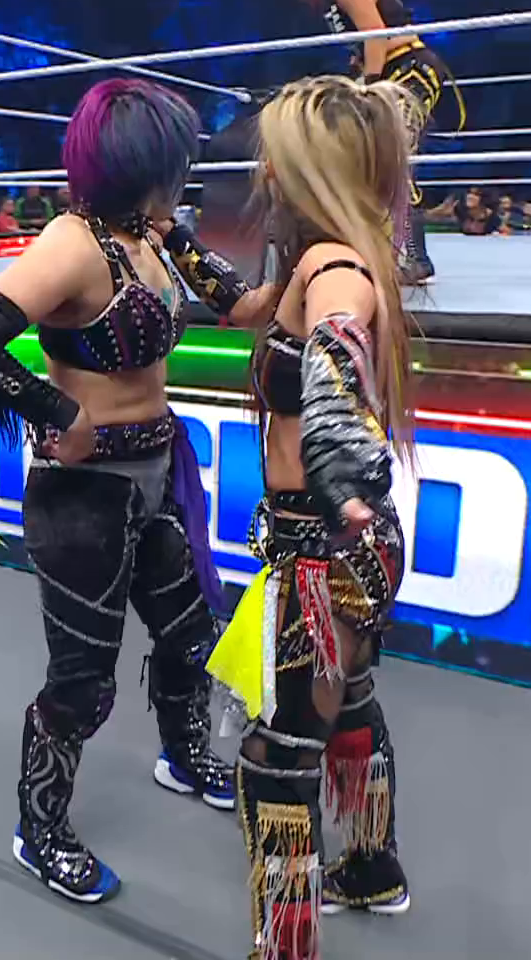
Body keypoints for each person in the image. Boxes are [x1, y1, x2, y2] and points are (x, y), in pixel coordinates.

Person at [0, 78, 273, 905]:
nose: (182, 176)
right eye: (173, 161)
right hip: (84, 493)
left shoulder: (156, 232)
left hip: (158, 472)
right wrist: (59, 412)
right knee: (82, 678)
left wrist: (317, 245)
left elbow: (244, 306)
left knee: (188, 633)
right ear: (138, 163)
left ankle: (182, 754)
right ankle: (40, 827)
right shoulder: (73, 244)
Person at [208, 75, 418, 959]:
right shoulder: (333, 255)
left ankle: (286, 946)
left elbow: (335, 348)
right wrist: (166, 238)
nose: (262, 173)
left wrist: (336, 456)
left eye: (276, 160)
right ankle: (369, 867)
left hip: (324, 546)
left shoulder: (335, 270)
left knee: (278, 754)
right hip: (347, 540)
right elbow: (244, 309)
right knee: (351, 702)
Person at [290, 0, 464, 286]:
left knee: (394, 159)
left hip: (411, 70)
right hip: (393, 72)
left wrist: (368, 86)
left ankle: (416, 258)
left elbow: (376, 35)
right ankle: (383, 251)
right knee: (372, 160)